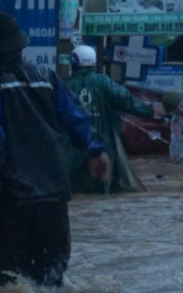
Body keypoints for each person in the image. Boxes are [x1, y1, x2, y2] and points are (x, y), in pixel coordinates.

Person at [0, 13, 108, 289]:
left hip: (13, 198)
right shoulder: (48, 78)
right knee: (52, 279)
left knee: (11, 279)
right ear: (19, 48)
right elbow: (75, 118)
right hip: (54, 194)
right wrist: (95, 151)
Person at [66, 45, 165, 194]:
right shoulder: (103, 82)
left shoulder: (64, 87)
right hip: (104, 148)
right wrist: (151, 109)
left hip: (74, 152)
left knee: (77, 193)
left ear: (73, 63)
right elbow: (127, 100)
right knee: (104, 190)